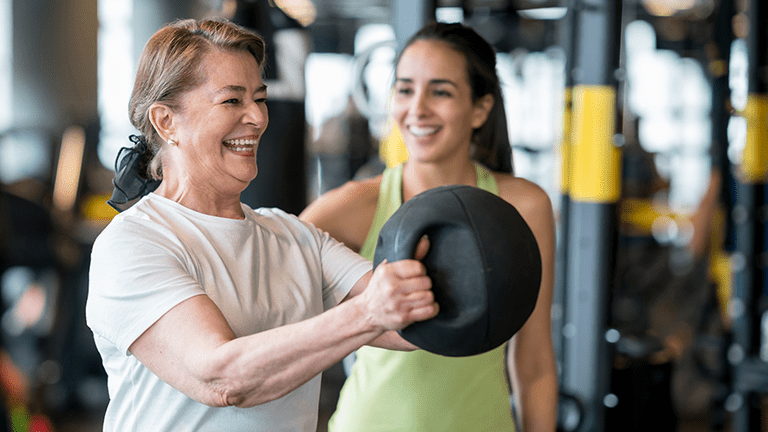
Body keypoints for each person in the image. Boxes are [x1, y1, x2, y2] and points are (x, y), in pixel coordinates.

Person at [85, 18, 438, 432]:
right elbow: (221, 377)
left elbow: (407, 325)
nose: (256, 117)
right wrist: (369, 311)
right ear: (166, 121)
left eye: (260, 98)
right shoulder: (135, 243)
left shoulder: (296, 238)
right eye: (232, 101)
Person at [300, 21, 557, 431]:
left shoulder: (523, 206)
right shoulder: (352, 207)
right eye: (404, 89)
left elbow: (535, 361)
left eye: (440, 91)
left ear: (481, 108)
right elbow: (277, 315)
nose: (416, 109)